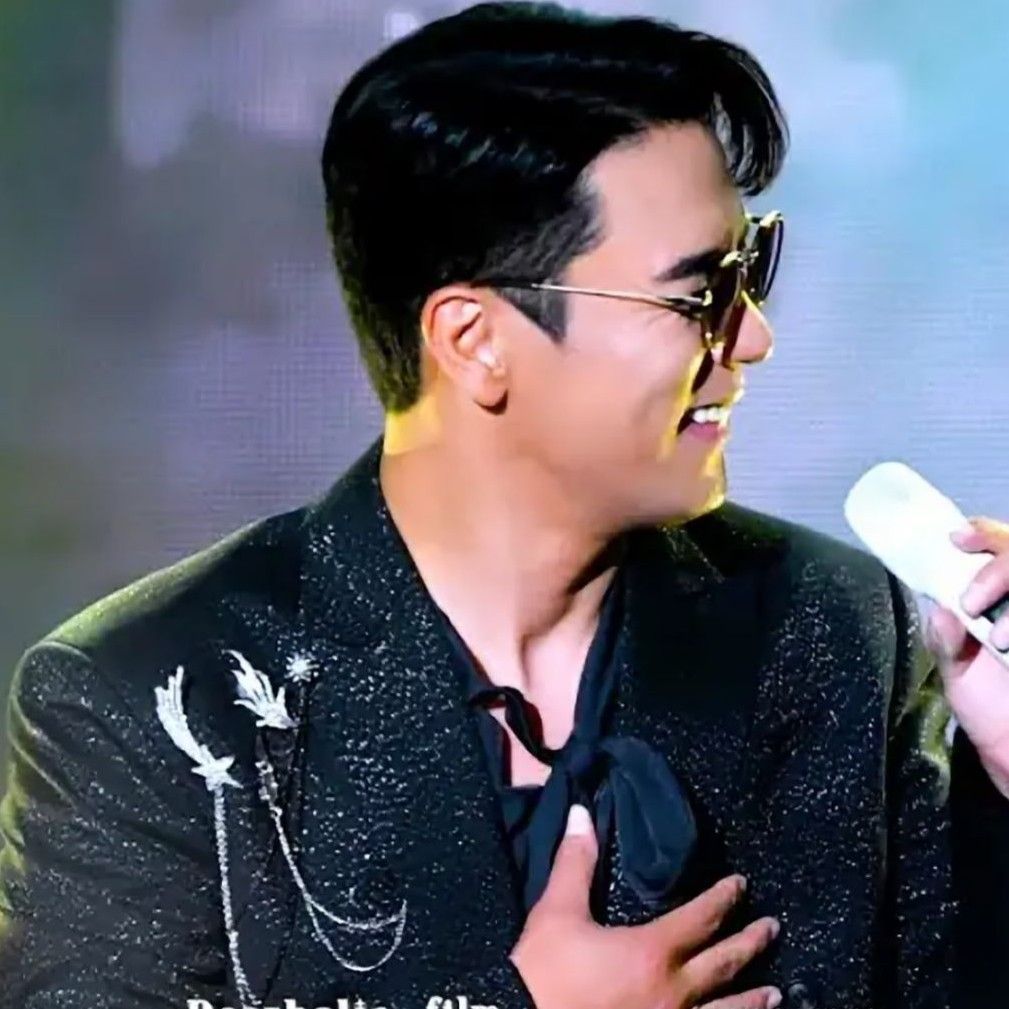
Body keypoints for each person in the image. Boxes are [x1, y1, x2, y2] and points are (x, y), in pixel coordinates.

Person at [0, 3, 1005, 1008]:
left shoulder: (833, 628)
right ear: (474, 341)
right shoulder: (148, 699)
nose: (752, 340)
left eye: (753, 271)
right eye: (699, 293)